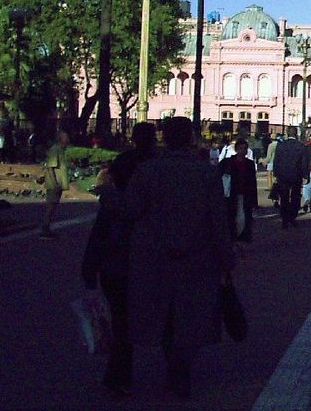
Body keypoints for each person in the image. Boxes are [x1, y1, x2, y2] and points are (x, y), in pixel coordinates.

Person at [124, 117, 235, 399]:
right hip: (196, 258)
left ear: (164, 137)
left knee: (162, 312)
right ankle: (181, 365)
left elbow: (131, 212)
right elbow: (218, 220)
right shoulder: (206, 174)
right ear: (190, 139)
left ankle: (171, 360)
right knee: (190, 315)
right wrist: (226, 256)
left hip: (154, 257)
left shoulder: (147, 171)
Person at [81, 122, 157, 397]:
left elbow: (99, 233)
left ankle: (119, 372)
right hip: (143, 263)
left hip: (114, 265)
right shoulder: (155, 172)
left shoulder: (113, 199)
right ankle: (124, 371)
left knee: (121, 319)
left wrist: (89, 268)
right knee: (136, 318)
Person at [220, 139, 258, 241]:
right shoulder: (227, 162)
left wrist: (254, 200)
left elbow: (253, 182)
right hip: (231, 193)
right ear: (236, 149)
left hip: (245, 192)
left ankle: (241, 236)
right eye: (240, 148)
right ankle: (233, 235)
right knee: (232, 215)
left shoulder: (249, 164)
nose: (243, 151)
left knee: (243, 216)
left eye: (245, 148)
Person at [40, 130, 71, 238]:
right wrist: (55, 183)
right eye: (66, 137)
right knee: (51, 206)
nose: (68, 139)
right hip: (55, 183)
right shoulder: (55, 150)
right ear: (60, 139)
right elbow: (50, 168)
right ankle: (45, 228)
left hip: (59, 183)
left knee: (54, 206)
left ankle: (47, 228)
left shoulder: (62, 150)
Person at [273, 136, 309, 228]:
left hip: (283, 174)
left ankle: (284, 218)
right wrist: (305, 175)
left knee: (284, 197)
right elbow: (304, 162)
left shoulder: (280, 145)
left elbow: (276, 160)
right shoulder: (301, 146)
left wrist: (275, 173)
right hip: (296, 174)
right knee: (295, 196)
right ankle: (292, 216)